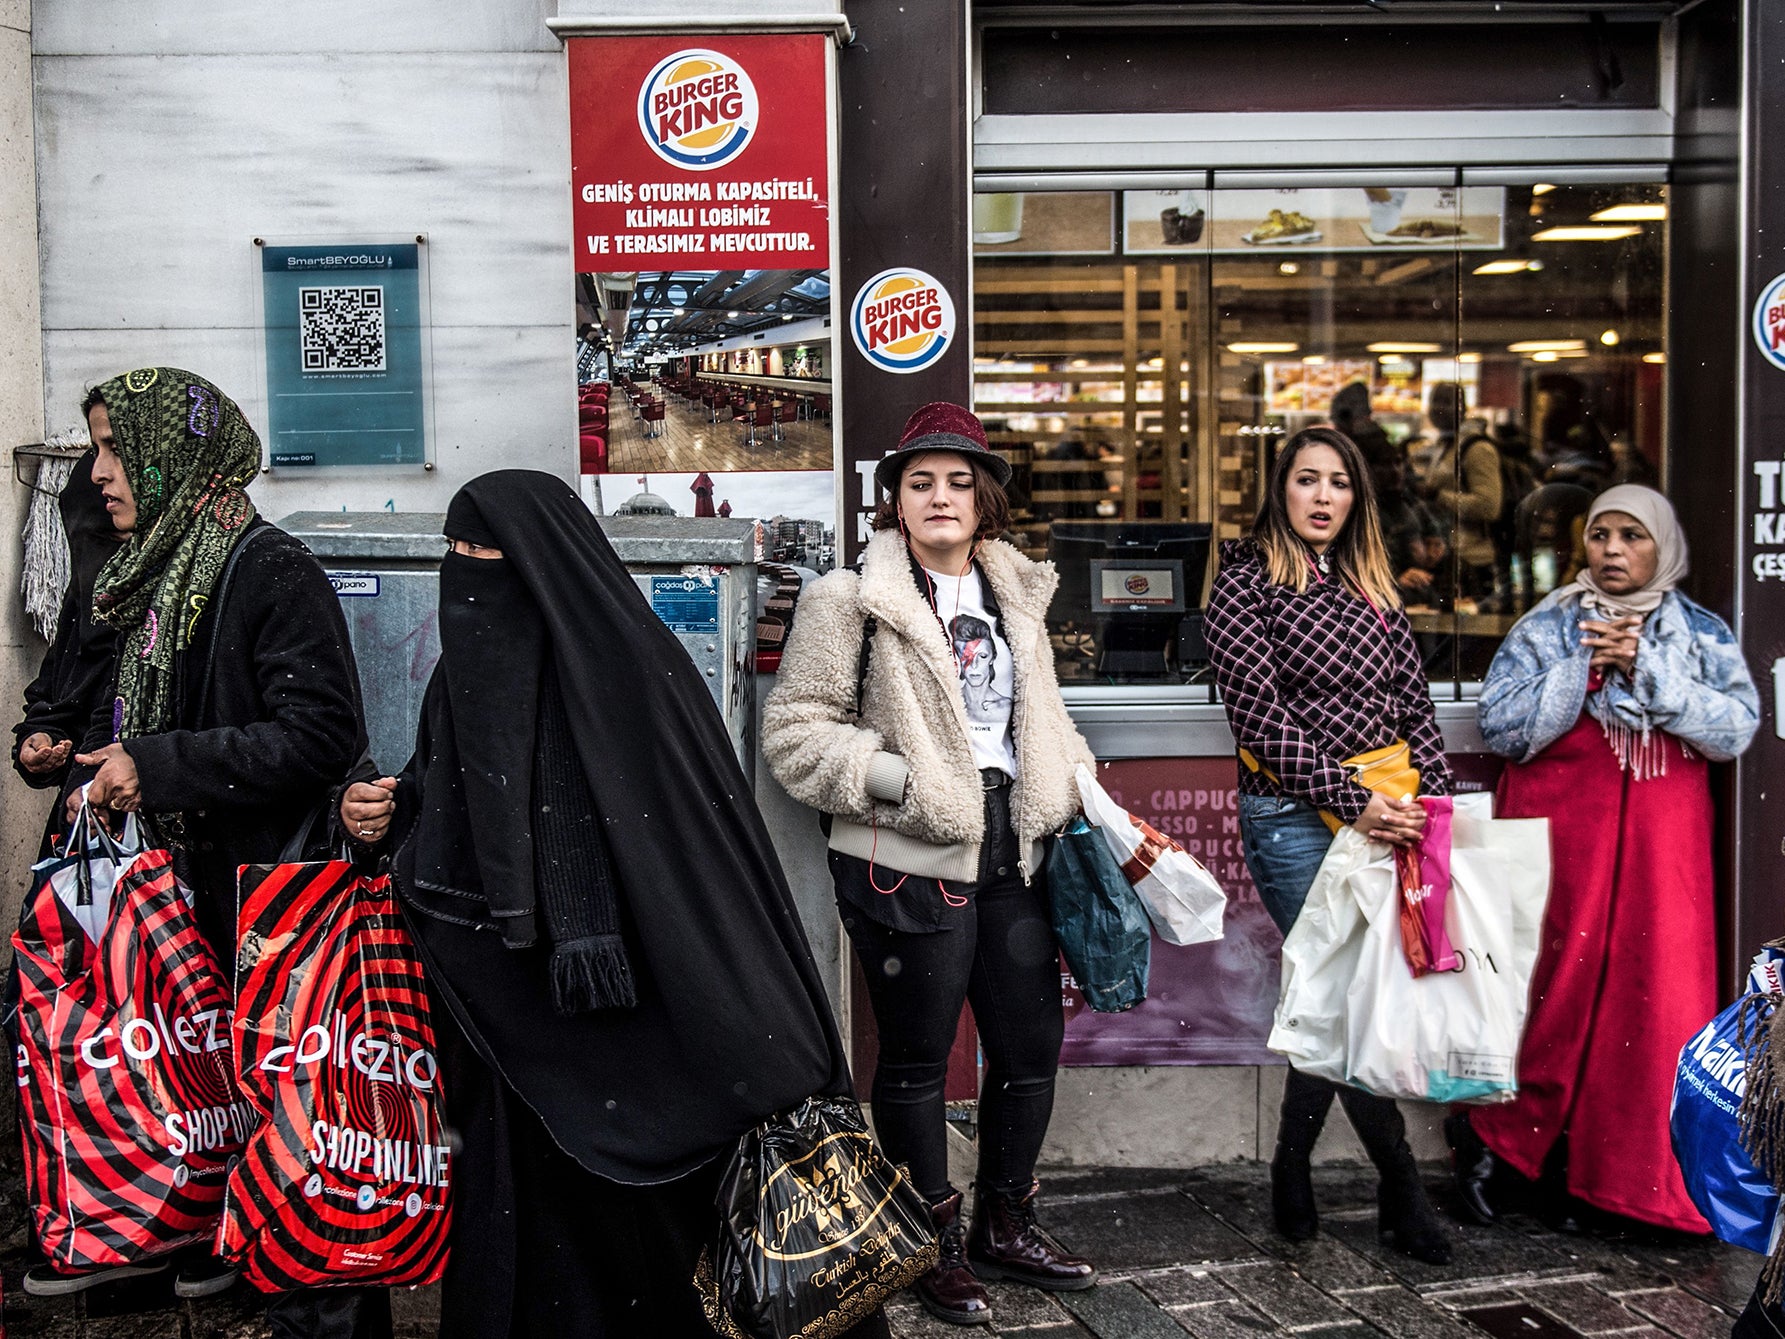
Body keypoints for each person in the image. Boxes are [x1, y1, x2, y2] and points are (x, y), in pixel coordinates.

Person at [339, 471, 885, 1338]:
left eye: (480, 555)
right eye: (452, 555)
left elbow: (686, 853)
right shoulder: (466, 675)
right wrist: (394, 808)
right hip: (516, 1018)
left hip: (642, 1015)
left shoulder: (632, 674)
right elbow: (462, 791)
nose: (463, 576)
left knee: (653, 1232)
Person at [49, 368, 380, 1338]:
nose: (99, 473)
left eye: (115, 449)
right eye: (96, 450)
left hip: (274, 916)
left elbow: (320, 735)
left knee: (309, 1151)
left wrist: (157, 765)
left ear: (171, 452)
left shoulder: (265, 570)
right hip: (195, 906)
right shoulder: (150, 578)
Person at [764, 403, 1099, 1326]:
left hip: (1013, 848)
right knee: (916, 1059)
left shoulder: (1014, 593)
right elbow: (792, 735)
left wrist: (1081, 788)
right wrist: (902, 779)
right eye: (921, 482)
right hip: (905, 854)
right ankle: (928, 1240)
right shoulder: (851, 598)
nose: (941, 496)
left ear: (984, 498)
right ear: (895, 501)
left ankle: (1005, 1220)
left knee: (1029, 1048)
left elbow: (1041, 722)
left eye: (958, 481)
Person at [1450, 485, 1758, 1233]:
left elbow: (1736, 726)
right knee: (1551, 989)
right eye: (1599, 535)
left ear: (1663, 547)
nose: (1613, 550)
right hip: (1564, 839)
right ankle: (1506, 1153)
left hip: (1662, 852)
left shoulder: (1700, 632)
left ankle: (1627, 1184)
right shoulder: (1547, 625)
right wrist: (1582, 669)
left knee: (1651, 1000)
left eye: (1631, 536)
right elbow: (1500, 721)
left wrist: (1647, 666)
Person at [1204, 425, 1454, 1265]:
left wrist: (1437, 805)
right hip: (1290, 816)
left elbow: (1412, 707)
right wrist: (1354, 802)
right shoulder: (1244, 581)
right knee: (1344, 990)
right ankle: (1401, 1191)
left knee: (1335, 995)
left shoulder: (1375, 584)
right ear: (1280, 490)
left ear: (1356, 497)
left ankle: (1289, 1165)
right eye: (1305, 480)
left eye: (1336, 483)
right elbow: (1258, 719)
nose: (1320, 496)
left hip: (1388, 810)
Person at [11, 447, 122, 854]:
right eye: (86, 543)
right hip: (81, 835)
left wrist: (145, 768)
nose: (99, 561)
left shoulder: (173, 607)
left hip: (166, 849)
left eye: (112, 542)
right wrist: (39, 742)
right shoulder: (83, 602)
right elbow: (53, 698)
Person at [1416, 381, 1501, 605]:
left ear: (1462, 408)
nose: (1437, 409)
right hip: (1445, 555)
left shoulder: (1477, 449)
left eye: (1445, 402)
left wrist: (1439, 497)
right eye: (1434, 401)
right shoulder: (1445, 446)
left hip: (1471, 557)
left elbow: (1489, 505)